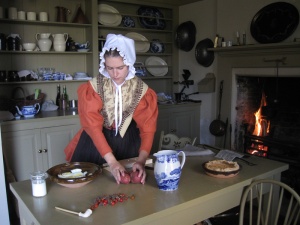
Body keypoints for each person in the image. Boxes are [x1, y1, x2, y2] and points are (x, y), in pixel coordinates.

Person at [64, 34, 158, 184]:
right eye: (110, 68)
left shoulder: (141, 89)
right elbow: (93, 127)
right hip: (96, 142)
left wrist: (141, 160)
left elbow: (147, 128)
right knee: (94, 185)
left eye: (120, 68)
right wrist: (112, 162)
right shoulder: (94, 87)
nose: (115, 74)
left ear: (129, 63)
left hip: (128, 141)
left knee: (127, 191)